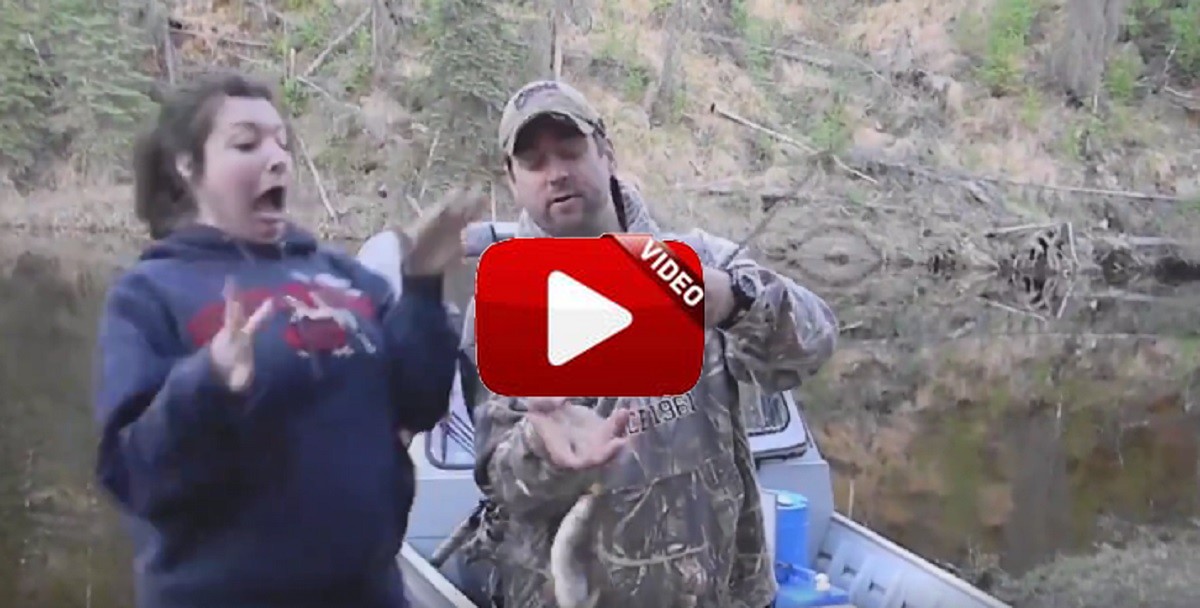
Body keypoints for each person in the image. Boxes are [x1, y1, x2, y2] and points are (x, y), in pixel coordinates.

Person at [92, 70, 483, 608]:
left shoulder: (345, 278)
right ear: (187, 166)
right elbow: (133, 474)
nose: (277, 158)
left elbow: (419, 401)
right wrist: (209, 382)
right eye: (246, 143)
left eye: (281, 143)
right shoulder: (150, 292)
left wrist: (421, 283)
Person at [460, 80, 839, 608]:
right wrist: (544, 452)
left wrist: (735, 302)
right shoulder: (503, 308)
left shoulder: (696, 262)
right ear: (513, 178)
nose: (556, 173)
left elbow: (815, 345)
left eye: (570, 151)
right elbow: (500, 482)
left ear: (606, 152)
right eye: (534, 161)